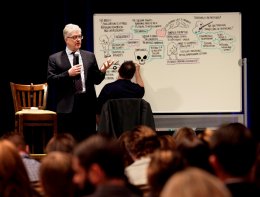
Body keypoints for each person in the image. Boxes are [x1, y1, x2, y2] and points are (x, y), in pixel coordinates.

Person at [47, 23, 114, 142]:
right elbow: (51, 81)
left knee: (87, 141)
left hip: (87, 104)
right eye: (74, 37)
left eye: (80, 36)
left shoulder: (89, 56)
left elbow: (96, 80)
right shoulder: (55, 58)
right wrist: (68, 74)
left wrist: (103, 70)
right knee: (68, 142)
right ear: (66, 39)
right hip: (67, 106)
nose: (78, 40)